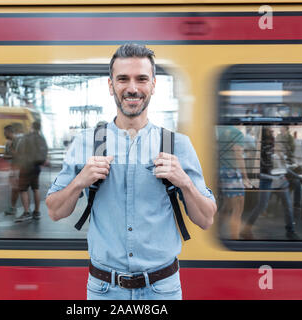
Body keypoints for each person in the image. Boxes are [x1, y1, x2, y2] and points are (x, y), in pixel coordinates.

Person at [45, 43, 216, 300]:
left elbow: (206, 219)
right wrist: (80, 181)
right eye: (123, 79)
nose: (132, 88)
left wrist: (185, 183)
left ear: (153, 85)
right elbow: (55, 211)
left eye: (142, 79)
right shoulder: (87, 142)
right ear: (111, 85)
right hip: (103, 290)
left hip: (162, 289)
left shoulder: (176, 145)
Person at [240, 127, 298, 240]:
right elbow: (260, 170)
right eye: (270, 131)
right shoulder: (261, 147)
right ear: (264, 133)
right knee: (262, 206)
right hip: (268, 179)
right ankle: (246, 229)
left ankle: (291, 231)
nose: (272, 133)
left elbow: (281, 163)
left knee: (288, 206)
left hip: (279, 179)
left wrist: (280, 157)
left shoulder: (273, 144)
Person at [217, 125, 252, 240]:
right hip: (232, 172)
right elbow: (238, 154)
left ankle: (215, 232)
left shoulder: (220, 130)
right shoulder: (237, 133)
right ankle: (235, 240)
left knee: (227, 206)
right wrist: (245, 176)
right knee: (238, 208)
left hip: (222, 171)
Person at [15, 121, 48, 222]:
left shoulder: (26, 137)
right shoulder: (41, 138)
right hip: (37, 166)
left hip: (26, 166)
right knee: (35, 188)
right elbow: (45, 152)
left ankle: (26, 212)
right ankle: (37, 212)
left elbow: (19, 150)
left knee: (23, 189)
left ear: (32, 127)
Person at [3, 123, 25, 216]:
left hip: (19, 167)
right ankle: (13, 208)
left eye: (5, 133)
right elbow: (6, 156)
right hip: (13, 167)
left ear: (9, 132)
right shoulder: (8, 142)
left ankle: (27, 211)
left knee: (21, 189)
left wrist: (10, 148)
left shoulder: (18, 141)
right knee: (14, 189)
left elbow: (19, 155)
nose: (4, 134)